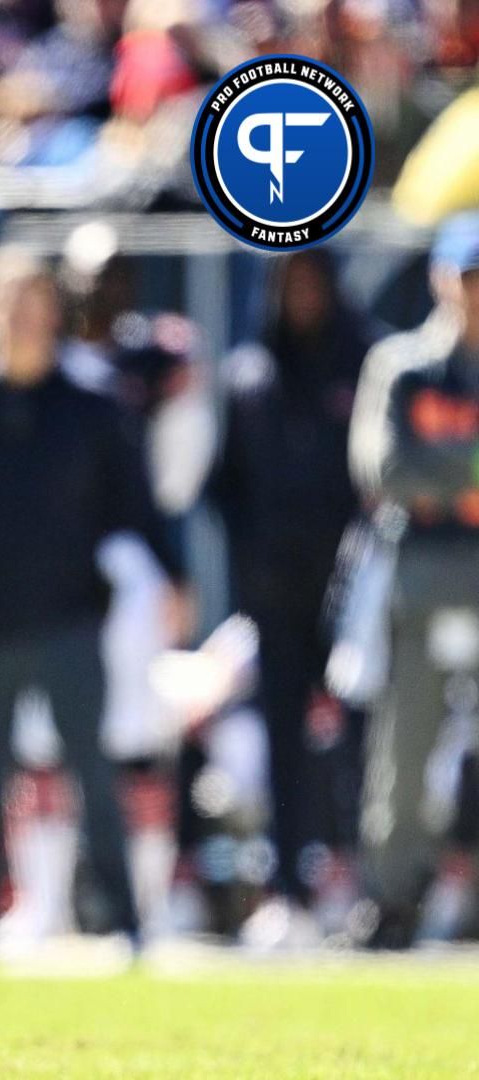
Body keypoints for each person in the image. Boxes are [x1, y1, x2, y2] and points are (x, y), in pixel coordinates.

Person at [0, 246, 184, 949]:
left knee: (93, 771)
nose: (22, 319)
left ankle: (125, 923)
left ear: (56, 312)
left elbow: (139, 507)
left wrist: (176, 580)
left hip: (74, 616)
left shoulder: (93, 406)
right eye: (8, 304)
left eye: (35, 303)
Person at [209, 248, 372, 945]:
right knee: (281, 740)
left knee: (361, 734)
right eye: (289, 281)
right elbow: (224, 488)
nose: (301, 295)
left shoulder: (367, 364)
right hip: (277, 594)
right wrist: (253, 567)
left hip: (356, 595)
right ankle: (289, 887)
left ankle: (361, 881)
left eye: (312, 279)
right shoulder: (250, 377)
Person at [346, 213, 479, 948]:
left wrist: (445, 474)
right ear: (441, 280)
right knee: (404, 747)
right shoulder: (404, 365)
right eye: (466, 278)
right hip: (422, 581)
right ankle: (391, 900)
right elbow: (385, 471)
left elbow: (419, 471)